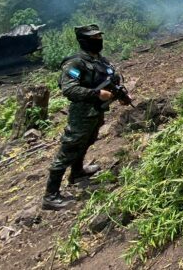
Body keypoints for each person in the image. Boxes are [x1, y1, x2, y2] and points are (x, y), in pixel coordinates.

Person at [42, 24, 129, 210]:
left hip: (96, 112)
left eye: (99, 37)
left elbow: (112, 81)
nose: (98, 41)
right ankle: (50, 195)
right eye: (93, 38)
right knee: (69, 148)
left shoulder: (101, 61)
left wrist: (121, 96)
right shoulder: (75, 63)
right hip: (82, 114)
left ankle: (77, 172)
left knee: (87, 141)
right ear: (83, 41)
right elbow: (69, 88)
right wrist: (96, 94)